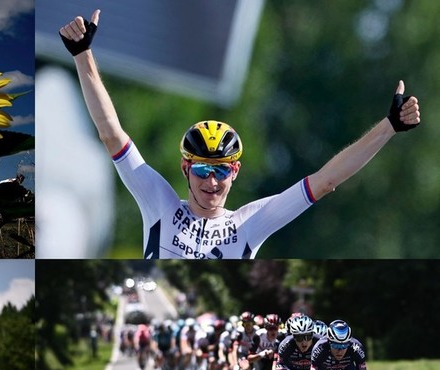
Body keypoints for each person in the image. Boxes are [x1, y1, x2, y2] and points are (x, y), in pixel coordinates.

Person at [58, 10, 422, 259]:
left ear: (236, 172)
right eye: (202, 170)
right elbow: (111, 134)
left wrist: (389, 126)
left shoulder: (250, 223)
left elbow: (325, 181)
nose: (211, 181)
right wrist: (82, 54)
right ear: (186, 169)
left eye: (222, 171)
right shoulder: (159, 203)